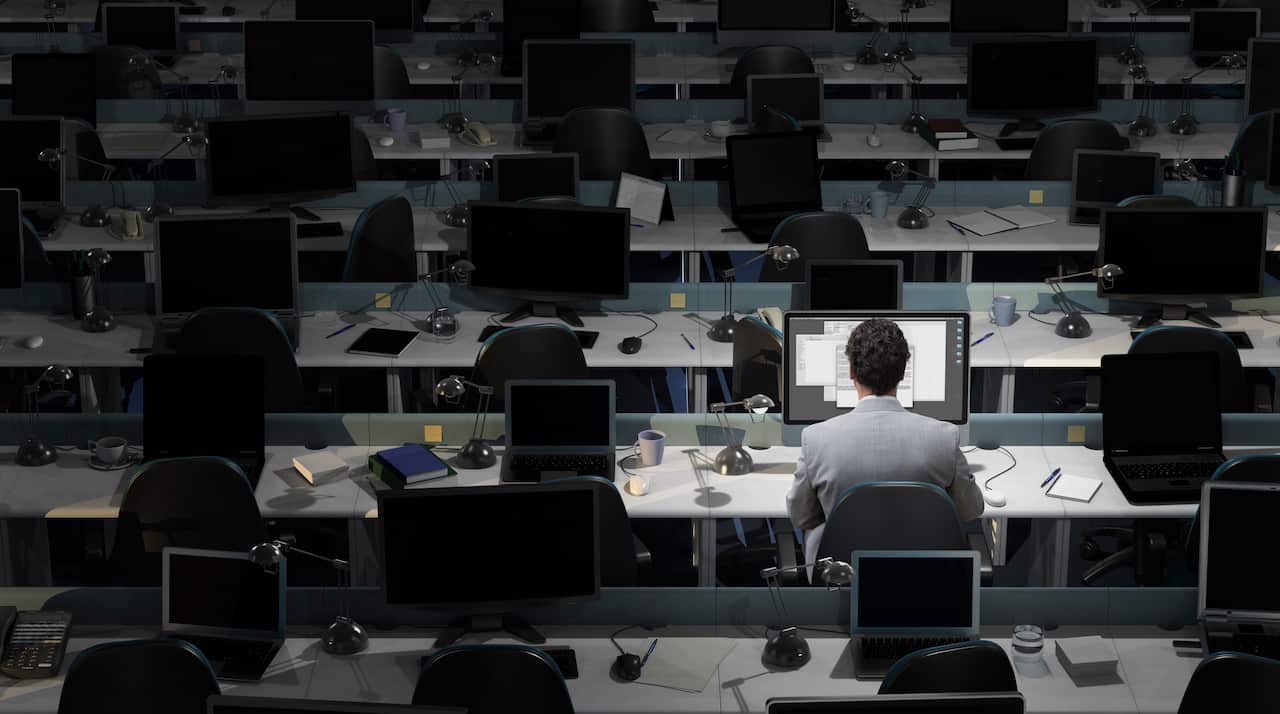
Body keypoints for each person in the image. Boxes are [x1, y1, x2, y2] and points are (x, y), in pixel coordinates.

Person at [786, 318, 983, 562]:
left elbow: (801, 517)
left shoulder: (815, 440)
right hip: (926, 574)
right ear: (903, 372)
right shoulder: (945, 438)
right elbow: (971, 510)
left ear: (850, 371)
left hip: (841, 576)